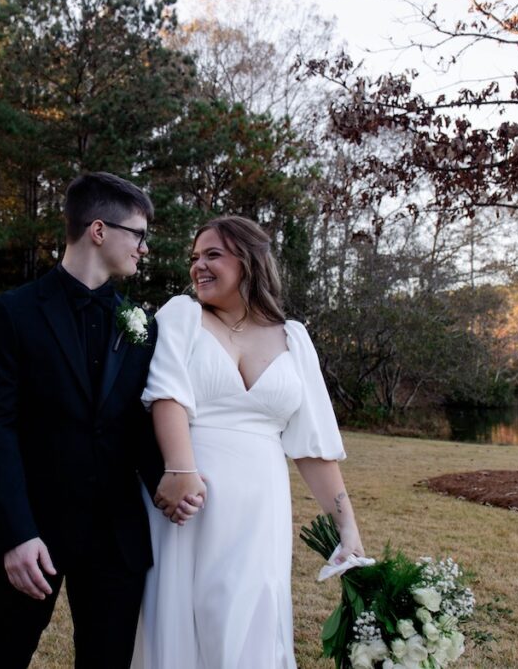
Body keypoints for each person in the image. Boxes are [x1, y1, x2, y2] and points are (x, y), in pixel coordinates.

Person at [131, 216, 365, 669]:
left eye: (212, 254)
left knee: (250, 611)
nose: (198, 265)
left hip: (261, 505)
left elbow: (311, 444)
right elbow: (166, 394)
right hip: (189, 500)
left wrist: (346, 525)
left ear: (250, 262)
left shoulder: (292, 338)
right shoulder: (182, 315)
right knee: (186, 612)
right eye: (194, 257)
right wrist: (181, 472)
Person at [0, 172, 176, 669]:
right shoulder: (13, 313)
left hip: (116, 539)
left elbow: (138, 426)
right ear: (99, 231)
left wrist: (174, 482)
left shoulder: (143, 325)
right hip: (33, 532)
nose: (144, 249)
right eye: (139, 235)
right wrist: (15, 533)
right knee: (1, 658)